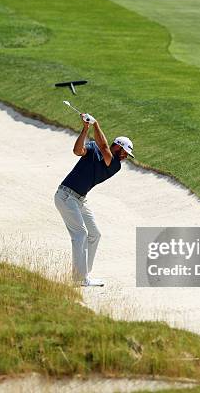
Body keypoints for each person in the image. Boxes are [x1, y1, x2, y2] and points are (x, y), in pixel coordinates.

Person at [54, 112, 134, 286]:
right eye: (124, 152)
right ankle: (80, 279)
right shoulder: (93, 148)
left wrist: (96, 124)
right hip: (66, 195)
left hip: (79, 199)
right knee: (81, 234)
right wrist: (85, 128)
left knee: (94, 234)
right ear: (118, 147)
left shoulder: (115, 165)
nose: (125, 156)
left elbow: (104, 147)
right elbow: (77, 150)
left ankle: (84, 275)